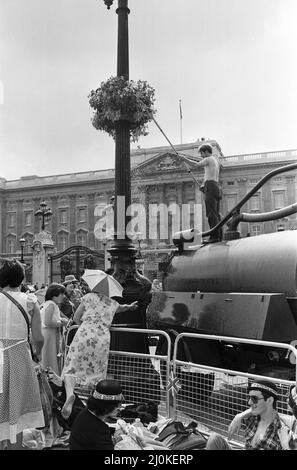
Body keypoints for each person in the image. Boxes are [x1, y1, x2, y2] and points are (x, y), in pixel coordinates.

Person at [61, 287, 138, 419]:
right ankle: (94, 409)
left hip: (84, 334)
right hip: (102, 338)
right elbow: (123, 307)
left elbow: (76, 317)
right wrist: (130, 307)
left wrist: (83, 326)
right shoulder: (113, 303)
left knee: (71, 368)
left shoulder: (89, 297)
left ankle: (70, 395)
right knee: (97, 373)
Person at [0, 259, 45, 449]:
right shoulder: (30, 301)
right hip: (19, 356)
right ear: (21, 277)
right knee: (15, 414)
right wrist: (39, 355)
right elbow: (38, 338)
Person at [207, 378, 297, 450]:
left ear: (269, 400)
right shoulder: (253, 418)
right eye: (248, 398)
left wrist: (286, 446)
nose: (249, 402)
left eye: (254, 399)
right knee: (214, 439)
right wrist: (239, 416)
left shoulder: (286, 428)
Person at [69, 379, 124, 450]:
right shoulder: (101, 430)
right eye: (117, 405)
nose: (119, 408)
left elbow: (91, 434)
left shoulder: (84, 413)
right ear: (106, 407)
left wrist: (113, 431)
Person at [189, 143, 222, 242]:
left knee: (211, 213)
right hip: (215, 186)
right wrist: (204, 185)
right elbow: (209, 176)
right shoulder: (215, 161)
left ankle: (214, 237)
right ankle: (219, 236)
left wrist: (183, 159)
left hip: (211, 186)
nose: (201, 156)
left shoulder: (209, 159)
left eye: (202, 154)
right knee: (216, 214)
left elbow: (195, 165)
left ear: (206, 151)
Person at [40, 283, 68, 375]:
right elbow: (47, 322)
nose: (63, 296)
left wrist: (60, 320)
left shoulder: (49, 304)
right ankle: (51, 379)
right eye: (62, 294)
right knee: (50, 357)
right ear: (54, 295)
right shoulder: (51, 304)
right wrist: (61, 323)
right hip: (49, 334)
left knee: (49, 357)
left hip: (49, 333)